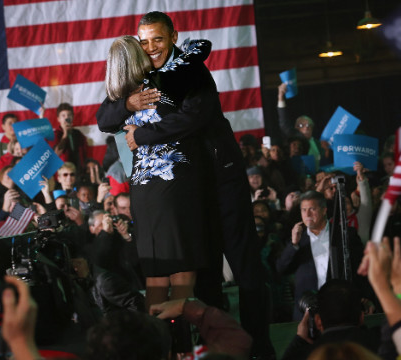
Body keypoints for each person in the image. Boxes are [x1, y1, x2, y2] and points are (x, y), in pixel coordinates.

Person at [96, 12, 273, 357]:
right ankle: (217, 348)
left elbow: (196, 115)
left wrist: (142, 135)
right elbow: (104, 118)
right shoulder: (143, 77)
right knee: (206, 277)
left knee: (245, 267)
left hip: (223, 183)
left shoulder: (193, 69)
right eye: (144, 42)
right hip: (190, 195)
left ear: (173, 37)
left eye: (158, 40)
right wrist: (128, 104)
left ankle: (259, 347)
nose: (150, 48)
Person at [98, 34, 220, 313]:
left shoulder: (120, 98)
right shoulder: (161, 84)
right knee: (182, 268)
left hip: (143, 192)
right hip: (173, 187)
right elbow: (201, 49)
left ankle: (157, 342)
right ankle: (181, 346)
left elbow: (102, 120)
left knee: (155, 274)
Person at [277, 190, 369, 320]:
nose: (307, 214)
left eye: (312, 209)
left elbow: (362, 267)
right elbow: (281, 269)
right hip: (306, 312)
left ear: (324, 210)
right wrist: (294, 245)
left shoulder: (345, 235)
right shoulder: (297, 239)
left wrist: (365, 296)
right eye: (303, 210)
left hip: (341, 307)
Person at [50, 102, 90, 172]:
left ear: (73, 117)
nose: (67, 118)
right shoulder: (55, 134)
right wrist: (65, 134)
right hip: (62, 173)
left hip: (78, 172)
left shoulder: (78, 134)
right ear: (58, 119)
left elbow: (84, 154)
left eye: (69, 115)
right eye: (63, 115)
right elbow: (56, 154)